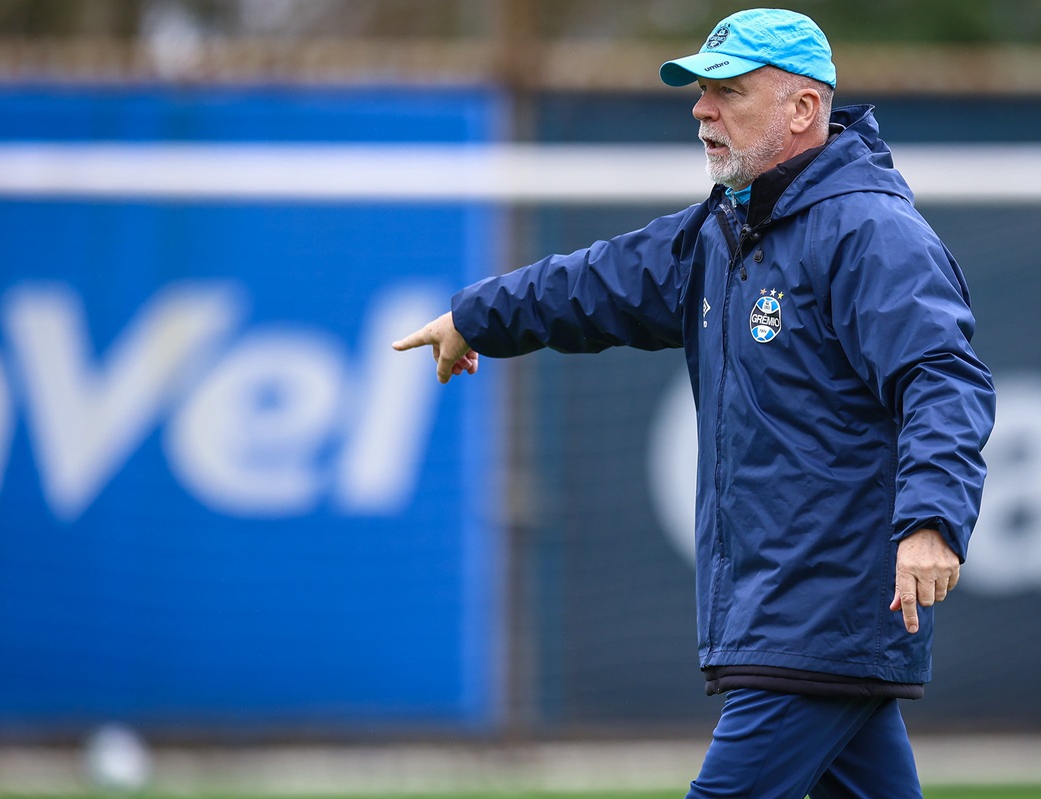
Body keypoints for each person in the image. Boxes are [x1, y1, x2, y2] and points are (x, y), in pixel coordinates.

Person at [394, 8, 995, 798]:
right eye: (700, 91)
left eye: (727, 91)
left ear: (803, 109)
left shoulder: (870, 232)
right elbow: (595, 283)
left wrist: (931, 520)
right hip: (803, 620)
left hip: (819, 612)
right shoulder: (725, 229)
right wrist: (476, 316)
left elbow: (943, 377)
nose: (701, 110)